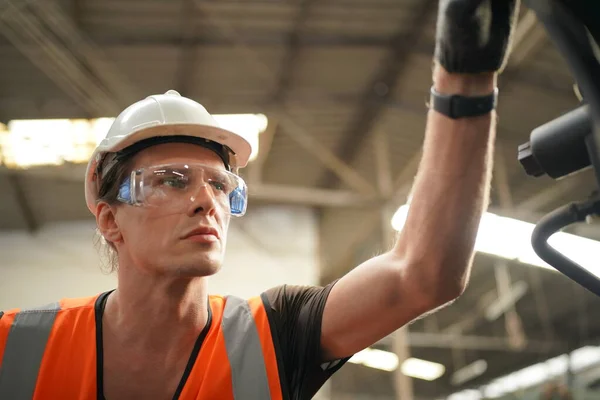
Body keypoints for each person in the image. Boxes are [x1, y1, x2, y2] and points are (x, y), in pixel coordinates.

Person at [0, 1, 519, 399]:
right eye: (173, 180)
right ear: (110, 220)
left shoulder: (276, 333)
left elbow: (423, 274)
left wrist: (465, 77)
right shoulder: (16, 348)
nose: (208, 201)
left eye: (221, 185)